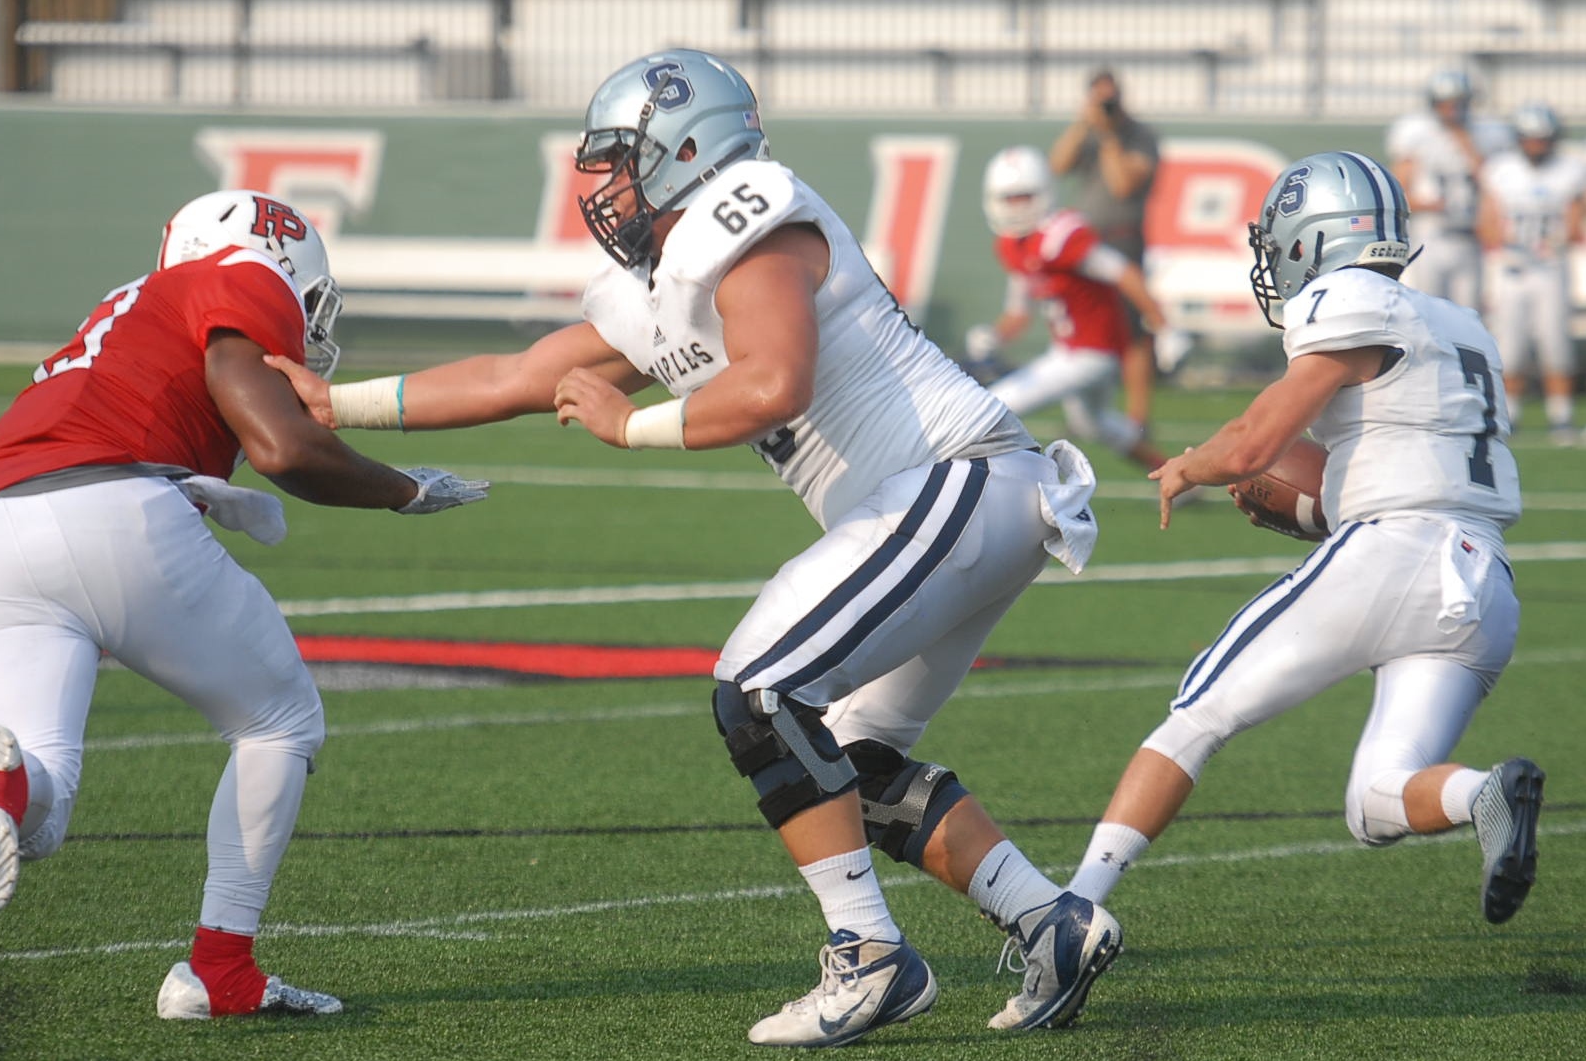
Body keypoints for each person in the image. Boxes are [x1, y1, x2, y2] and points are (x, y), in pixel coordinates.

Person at [265, 49, 1121, 1046]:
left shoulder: (748, 218)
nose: (602, 185)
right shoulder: (664, 278)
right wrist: (340, 403)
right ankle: (1047, 920)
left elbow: (773, 384)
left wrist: (630, 427)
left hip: (954, 478)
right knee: (843, 753)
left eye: (618, 159)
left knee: (758, 688)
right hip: (952, 505)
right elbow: (516, 372)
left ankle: (871, 954)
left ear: (684, 148)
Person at [0, 190, 489, 1019]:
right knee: (280, 720)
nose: (305, 317)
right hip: (113, 506)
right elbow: (281, 445)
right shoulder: (241, 276)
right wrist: (405, 488)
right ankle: (218, 971)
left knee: (40, 800)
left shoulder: (128, 305)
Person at [1063, 151, 1544, 937]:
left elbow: (1255, 441)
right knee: (1376, 798)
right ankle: (1484, 791)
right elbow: (1409, 451)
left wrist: (1189, 465)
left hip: (1393, 552)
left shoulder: (1345, 298)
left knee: (1196, 715)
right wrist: (1320, 510)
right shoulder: (1461, 323)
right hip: (1482, 581)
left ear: (1312, 235)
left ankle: (1074, 904)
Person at [965, 145, 1171, 476]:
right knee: (1094, 424)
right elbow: (1018, 313)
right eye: (1009, 198)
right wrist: (993, 336)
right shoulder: (1012, 244)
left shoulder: (1061, 235)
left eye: (1024, 196)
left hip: (1090, 355)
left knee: (993, 407)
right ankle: (1169, 471)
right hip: (1070, 352)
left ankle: (994, 488)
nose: (1016, 206)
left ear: (1044, 192)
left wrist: (1165, 328)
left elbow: (1124, 273)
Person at [1476, 102, 1586, 444]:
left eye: (1542, 139)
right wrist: (1504, 244)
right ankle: (1512, 415)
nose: (1537, 145)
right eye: (1531, 139)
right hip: (1512, 269)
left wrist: (1555, 240)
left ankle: (1561, 417)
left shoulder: (1570, 168)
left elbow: (1574, 217)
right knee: (1511, 345)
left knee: (1555, 344)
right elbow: (1488, 219)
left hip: (1551, 268)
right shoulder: (1502, 169)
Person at [1047, 68, 1165, 381]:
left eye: (1109, 99)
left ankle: (1138, 421)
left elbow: (1122, 184)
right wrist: (1083, 123)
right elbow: (1057, 166)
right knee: (1077, 330)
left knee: (1131, 330)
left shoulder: (1139, 135)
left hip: (1122, 237)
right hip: (1086, 241)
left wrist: (1109, 136)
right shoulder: (1085, 131)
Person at [1386, 70, 1515, 310]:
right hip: (1431, 232)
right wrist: (1428, 204)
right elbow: (1399, 192)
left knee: (1468, 313)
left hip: (1469, 235)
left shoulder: (1485, 134)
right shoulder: (1417, 133)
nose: (1452, 111)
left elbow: (1494, 185)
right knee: (1427, 309)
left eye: (1458, 103)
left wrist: (1465, 144)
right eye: (1445, 104)